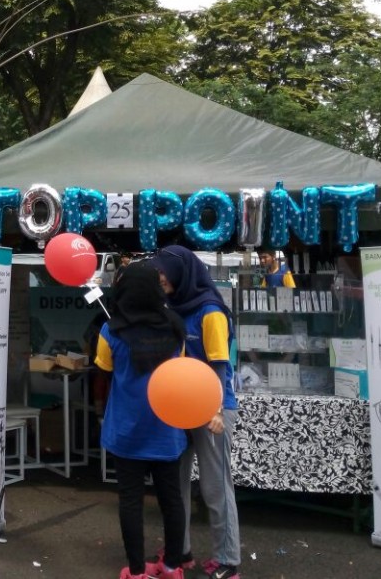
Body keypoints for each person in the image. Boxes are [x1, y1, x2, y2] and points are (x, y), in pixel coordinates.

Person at [148, 245, 241, 579]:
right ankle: (180, 549)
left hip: (212, 410)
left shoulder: (210, 311)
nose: (160, 278)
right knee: (176, 484)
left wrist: (216, 410)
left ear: (181, 272)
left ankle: (228, 559)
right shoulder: (172, 307)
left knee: (215, 486)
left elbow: (219, 364)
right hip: (179, 408)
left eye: (163, 272)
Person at [94, 263, 188, 579]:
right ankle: (172, 566)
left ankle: (136, 571)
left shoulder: (111, 331)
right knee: (171, 500)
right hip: (167, 429)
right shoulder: (175, 326)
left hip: (126, 430)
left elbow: (104, 371)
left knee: (131, 501)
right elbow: (182, 370)